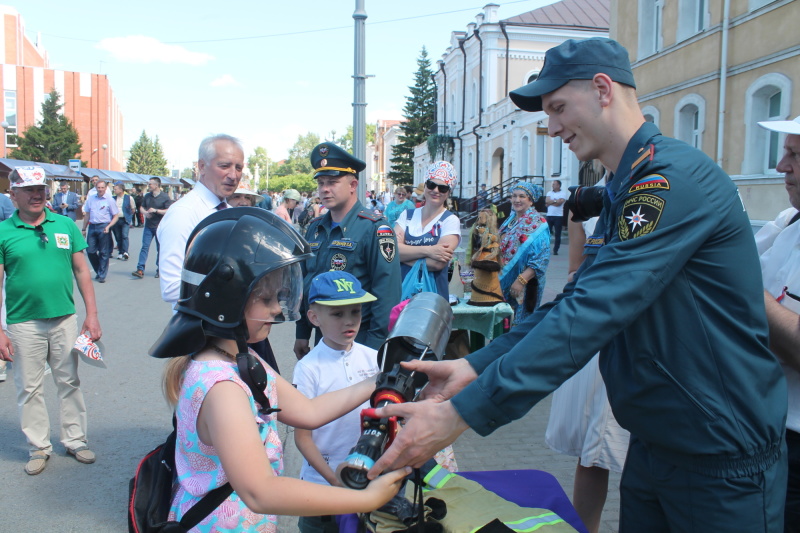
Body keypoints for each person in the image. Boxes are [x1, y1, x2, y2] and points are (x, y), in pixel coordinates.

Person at [367, 37, 788, 532]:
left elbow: (593, 311)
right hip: (659, 444)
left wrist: (464, 412)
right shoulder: (627, 186)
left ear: (604, 89)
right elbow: (574, 299)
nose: (551, 127)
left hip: (718, 454)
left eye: (559, 107)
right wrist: (475, 365)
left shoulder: (670, 179)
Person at [148, 208, 407, 530]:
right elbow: (260, 491)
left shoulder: (240, 359)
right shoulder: (222, 387)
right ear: (229, 299)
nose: (276, 308)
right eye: (266, 297)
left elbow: (308, 412)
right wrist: (365, 500)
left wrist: (381, 378)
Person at [0, 166, 102, 475]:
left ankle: (75, 440)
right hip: (22, 323)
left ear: (48, 192)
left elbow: (82, 271)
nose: (35, 195)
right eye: (28, 190)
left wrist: (92, 315)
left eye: (40, 189)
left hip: (64, 320)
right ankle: (39, 447)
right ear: (13, 194)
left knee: (69, 381)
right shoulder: (4, 231)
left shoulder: (66, 225)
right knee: (29, 388)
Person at [545, 197, 630, 533]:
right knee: (594, 451)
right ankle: (586, 528)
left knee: (641, 453)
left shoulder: (658, 188)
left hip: (643, 341)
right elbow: (573, 274)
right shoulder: (584, 202)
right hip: (597, 339)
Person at [294, 143, 401, 358]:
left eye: (333, 182)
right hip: (324, 339)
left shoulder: (375, 228)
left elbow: (386, 295)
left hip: (360, 341)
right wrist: (302, 332)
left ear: (353, 185)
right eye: (321, 183)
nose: (324, 189)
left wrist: (374, 350)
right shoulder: (315, 228)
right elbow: (305, 282)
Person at [292, 271, 380, 532]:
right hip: (321, 487)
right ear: (314, 317)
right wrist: (333, 480)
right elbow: (302, 437)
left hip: (367, 479)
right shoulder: (308, 368)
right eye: (337, 314)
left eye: (355, 311)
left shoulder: (375, 358)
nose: (349, 321)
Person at [756, 116, 800, 533]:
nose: (781, 166)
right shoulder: (788, 221)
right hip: (771, 432)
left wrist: (748, 293)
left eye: (795, 155)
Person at [157, 134, 242, 308]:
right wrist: (236, 281)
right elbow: (172, 287)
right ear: (202, 166)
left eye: (239, 168)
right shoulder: (183, 214)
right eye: (224, 166)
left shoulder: (232, 213)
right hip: (201, 330)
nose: (233, 175)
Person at [395, 161, 461, 301]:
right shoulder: (407, 215)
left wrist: (403, 255)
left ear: (449, 192)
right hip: (402, 291)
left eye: (442, 188)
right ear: (425, 187)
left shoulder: (450, 220)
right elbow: (392, 251)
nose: (436, 190)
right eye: (431, 185)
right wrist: (429, 251)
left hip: (433, 295)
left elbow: (437, 263)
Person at [498, 182, 550, 324]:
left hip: (525, 284)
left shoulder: (538, 223)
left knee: (519, 325)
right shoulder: (510, 219)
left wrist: (521, 281)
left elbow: (542, 258)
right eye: (514, 196)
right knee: (503, 324)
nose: (516, 200)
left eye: (522, 196)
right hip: (504, 281)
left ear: (531, 200)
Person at [132, 177, 171, 279]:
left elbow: (168, 210)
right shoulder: (147, 196)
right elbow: (141, 207)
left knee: (160, 249)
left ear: (156, 185)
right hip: (148, 227)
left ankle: (160, 269)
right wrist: (145, 212)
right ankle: (140, 269)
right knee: (144, 247)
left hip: (160, 227)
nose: (148, 186)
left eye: (150, 184)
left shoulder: (165, 197)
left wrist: (156, 211)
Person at [81, 179, 118, 283]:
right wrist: (84, 228)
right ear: (96, 188)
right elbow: (87, 214)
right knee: (90, 251)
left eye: (102, 187)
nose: (100, 189)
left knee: (103, 251)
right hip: (92, 226)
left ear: (106, 188)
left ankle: (102, 274)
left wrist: (109, 226)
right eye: (99, 187)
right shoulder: (91, 199)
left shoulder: (109, 200)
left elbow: (115, 216)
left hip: (104, 226)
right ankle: (98, 270)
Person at [111, 183, 135, 261]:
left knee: (124, 236)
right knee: (118, 237)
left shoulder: (129, 198)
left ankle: (125, 252)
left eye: (115, 189)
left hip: (124, 220)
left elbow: (133, 209)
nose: (114, 190)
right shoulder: (113, 198)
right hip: (115, 220)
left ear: (121, 190)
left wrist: (129, 217)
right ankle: (120, 252)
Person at [545, 180, 568, 255]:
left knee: (557, 233)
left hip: (558, 216)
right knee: (547, 233)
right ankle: (546, 249)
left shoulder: (563, 193)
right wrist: (555, 201)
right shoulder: (549, 193)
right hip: (549, 215)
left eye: (554, 184)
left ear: (558, 185)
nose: (552, 185)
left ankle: (556, 250)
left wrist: (551, 202)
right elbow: (547, 201)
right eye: (552, 184)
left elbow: (559, 203)